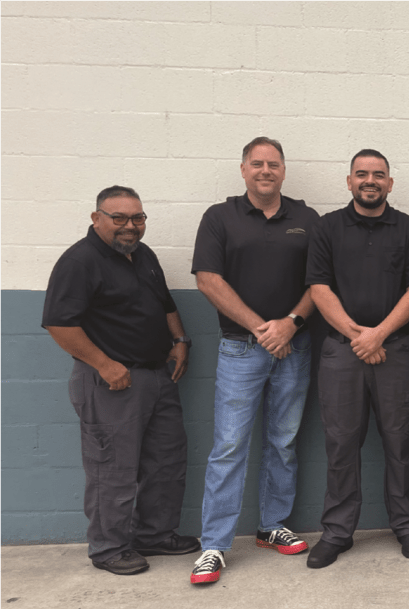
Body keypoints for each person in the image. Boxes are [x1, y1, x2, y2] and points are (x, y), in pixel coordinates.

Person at [42, 185, 198, 575]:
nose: (130, 225)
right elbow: (59, 324)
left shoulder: (143, 255)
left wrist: (180, 340)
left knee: (166, 462)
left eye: (138, 217)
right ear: (97, 219)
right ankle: (109, 547)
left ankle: (155, 535)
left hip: (157, 376)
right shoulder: (79, 261)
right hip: (112, 383)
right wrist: (105, 364)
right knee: (113, 469)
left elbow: (165, 303)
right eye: (119, 218)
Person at [189, 137, 319, 584]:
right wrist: (265, 330)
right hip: (240, 349)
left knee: (283, 442)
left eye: (274, 164)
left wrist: (291, 325)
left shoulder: (306, 219)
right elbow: (208, 280)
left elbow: (320, 282)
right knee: (229, 445)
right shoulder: (219, 217)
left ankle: (272, 526)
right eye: (257, 163)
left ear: (283, 171)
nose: (266, 170)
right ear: (243, 169)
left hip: (294, 348)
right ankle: (213, 545)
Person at [305, 149, 409, 567]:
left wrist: (379, 335)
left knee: (400, 441)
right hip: (343, 353)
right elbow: (319, 288)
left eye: (378, 174)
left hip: (397, 351)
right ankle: (337, 532)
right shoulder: (327, 228)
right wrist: (359, 336)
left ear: (390, 183)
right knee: (341, 444)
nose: (370, 181)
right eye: (361, 174)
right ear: (349, 181)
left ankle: (407, 525)